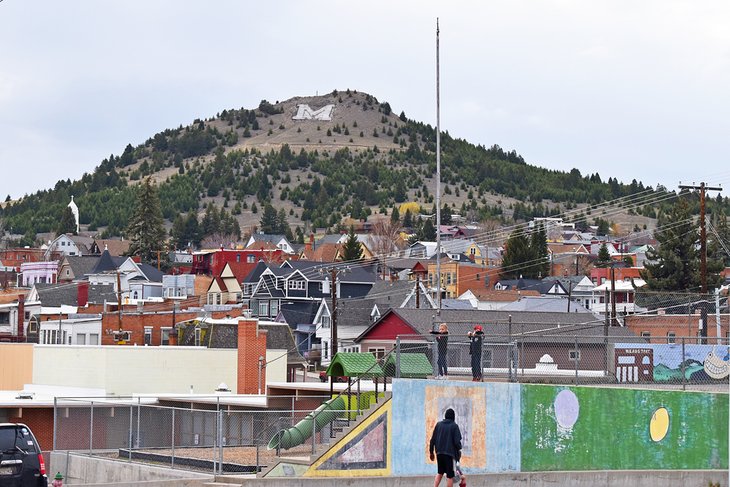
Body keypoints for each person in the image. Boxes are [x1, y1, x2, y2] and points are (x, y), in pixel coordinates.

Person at [429, 407, 462, 487]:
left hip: (439, 453)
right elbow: (457, 442)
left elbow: (432, 440)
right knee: (449, 475)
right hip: (449, 454)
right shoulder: (454, 426)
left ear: (445, 416)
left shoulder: (438, 425)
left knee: (440, 472)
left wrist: (431, 452)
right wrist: (459, 450)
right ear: (453, 417)